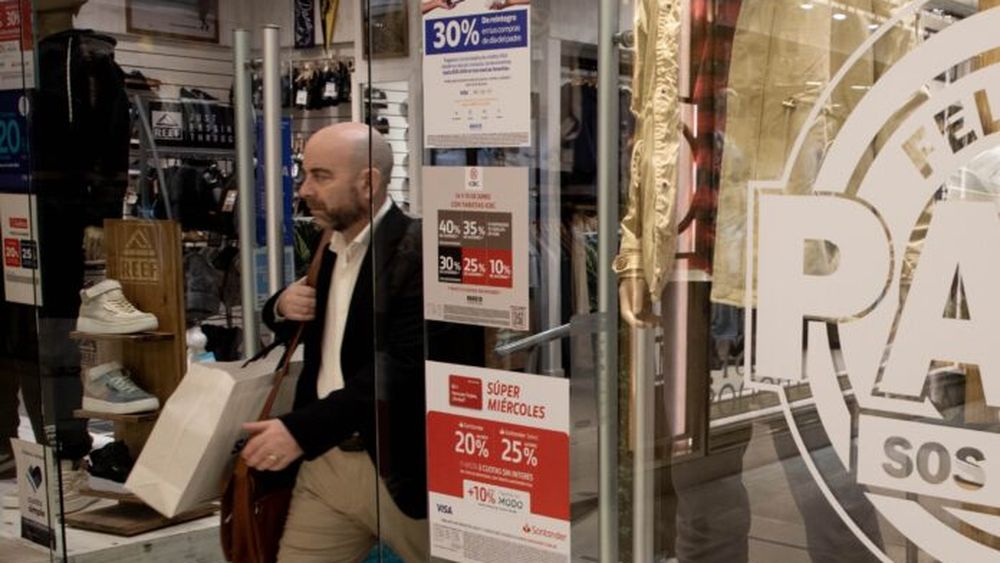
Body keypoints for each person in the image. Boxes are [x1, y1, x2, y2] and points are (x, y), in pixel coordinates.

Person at [245, 123, 429, 562]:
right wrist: (279, 307)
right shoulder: (329, 245)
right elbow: (321, 330)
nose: (305, 189)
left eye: (321, 176)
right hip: (325, 467)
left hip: (399, 470)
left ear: (369, 182)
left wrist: (301, 430)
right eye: (305, 174)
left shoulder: (417, 251)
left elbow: (404, 367)